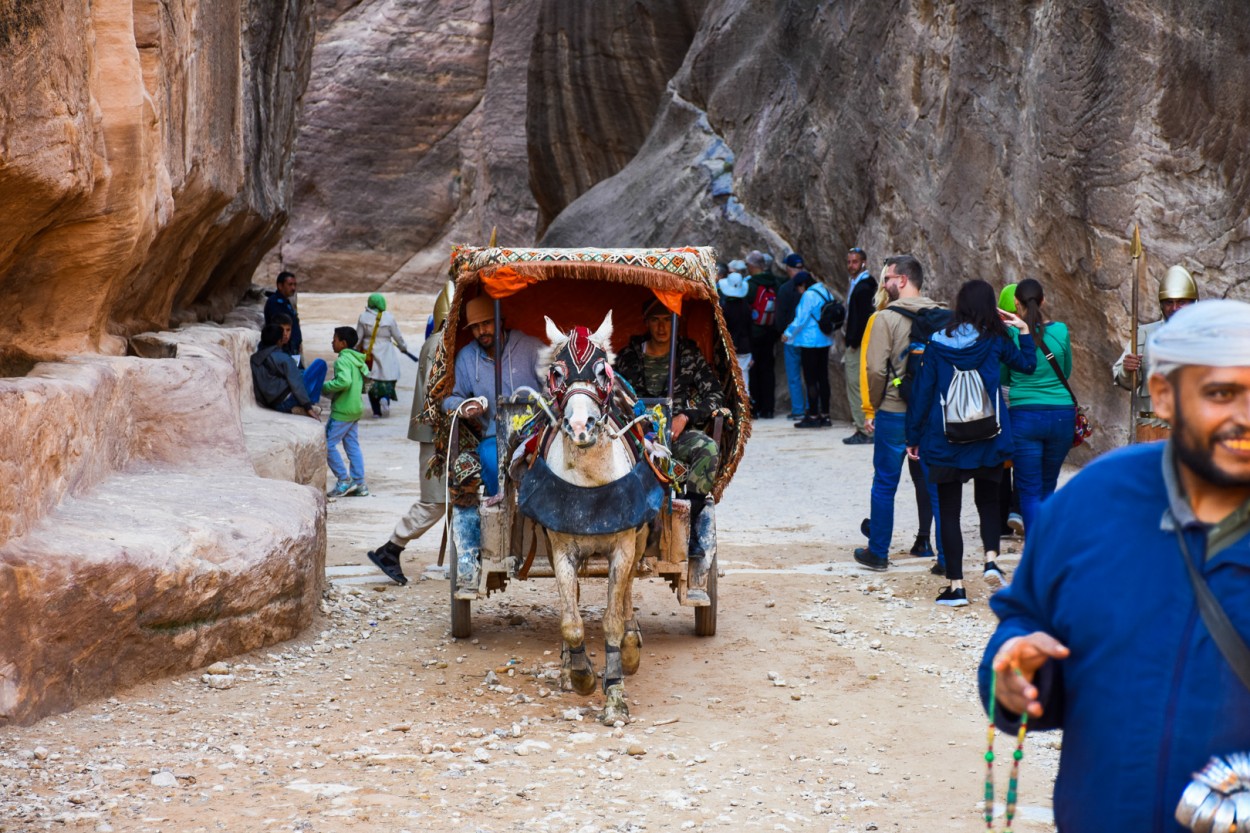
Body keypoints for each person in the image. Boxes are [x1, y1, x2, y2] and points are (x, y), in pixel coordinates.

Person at [980, 299, 1250, 832]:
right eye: (1221, 393)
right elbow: (1026, 618)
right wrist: (1012, 674)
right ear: (1165, 394)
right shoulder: (1094, 502)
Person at [905, 279, 1036, 606]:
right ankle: (991, 560)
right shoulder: (996, 340)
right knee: (988, 502)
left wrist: (913, 437)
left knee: (949, 512)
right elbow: (1027, 366)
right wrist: (1023, 330)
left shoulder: (936, 343)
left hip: (946, 440)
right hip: (988, 438)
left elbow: (922, 394)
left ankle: (957, 586)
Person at [615, 297, 724, 603]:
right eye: (656, 320)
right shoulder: (628, 357)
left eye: (668, 320)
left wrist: (686, 414)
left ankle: (690, 524)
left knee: (706, 448)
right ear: (646, 323)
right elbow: (610, 394)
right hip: (633, 437)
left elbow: (715, 395)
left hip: (673, 437)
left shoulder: (687, 353)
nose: (662, 327)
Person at [855, 254, 948, 572]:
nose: (884, 284)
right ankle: (947, 558)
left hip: (895, 411)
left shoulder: (885, 319)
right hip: (934, 414)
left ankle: (878, 552)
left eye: (888, 278)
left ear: (903, 280)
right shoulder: (942, 315)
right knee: (937, 482)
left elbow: (875, 369)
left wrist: (877, 405)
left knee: (885, 482)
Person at [363, 285, 453, 585]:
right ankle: (391, 548)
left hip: (443, 435)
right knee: (435, 502)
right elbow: (436, 393)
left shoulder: (441, 341)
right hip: (437, 436)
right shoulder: (440, 343)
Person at [442, 294, 545, 500]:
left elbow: (554, 386)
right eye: (475, 327)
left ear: (500, 320)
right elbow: (449, 399)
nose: (482, 331)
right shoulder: (467, 357)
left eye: (487, 323)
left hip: (536, 431)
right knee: (490, 459)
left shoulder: (532, 348)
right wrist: (464, 405)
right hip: (494, 436)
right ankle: (500, 508)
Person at [1001, 278, 1076, 536]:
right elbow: (1065, 371)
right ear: (1043, 301)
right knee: (1047, 485)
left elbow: (1004, 377)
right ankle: (1046, 546)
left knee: (1029, 489)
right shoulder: (1061, 331)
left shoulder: (1010, 334)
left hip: (1024, 416)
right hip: (1061, 416)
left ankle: (1035, 551)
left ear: (1016, 304)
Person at [1113, 264, 1199, 442]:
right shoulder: (1143, 334)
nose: (1174, 308)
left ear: (1193, 302)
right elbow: (1124, 380)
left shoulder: (1209, 336)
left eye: (1181, 302)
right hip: (1151, 429)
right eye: (1169, 302)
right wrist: (1127, 370)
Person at [781, 271, 833, 428]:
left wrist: (788, 333)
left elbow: (801, 319)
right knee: (823, 378)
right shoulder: (825, 290)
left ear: (802, 285)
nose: (799, 291)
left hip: (810, 342)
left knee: (811, 379)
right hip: (825, 340)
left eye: (798, 288)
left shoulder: (809, 295)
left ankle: (813, 415)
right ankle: (825, 415)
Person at [324, 326, 370, 498]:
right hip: (356, 408)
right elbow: (366, 381)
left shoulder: (342, 360)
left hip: (342, 410)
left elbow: (344, 382)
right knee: (352, 446)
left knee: (327, 445)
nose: (332, 342)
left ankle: (344, 480)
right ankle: (359, 483)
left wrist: (325, 386)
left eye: (334, 339)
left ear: (343, 343)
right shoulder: (358, 360)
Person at [250, 323, 326, 417]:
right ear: (279, 341)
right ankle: (311, 403)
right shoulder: (283, 358)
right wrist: (308, 408)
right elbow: (296, 383)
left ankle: (300, 406)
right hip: (288, 400)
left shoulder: (253, 359)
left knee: (301, 373)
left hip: (274, 404)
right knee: (320, 364)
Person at [842, 247, 877, 445]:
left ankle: (864, 429)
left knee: (856, 385)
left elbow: (862, 318)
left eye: (855, 262)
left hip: (859, 344)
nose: (851, 265)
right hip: (861, 341)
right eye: (849, 262)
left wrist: (854, 341)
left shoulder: (864, 287)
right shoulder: (860, 284)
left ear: (863, 262)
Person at [355, 292, 410, 418]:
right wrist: (403, 348)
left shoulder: (363, 317)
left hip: (369, 354)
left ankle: (376, 412)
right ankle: (385, 398)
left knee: (371, 381)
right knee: (388, 379)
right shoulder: (389, 318)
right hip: (387, 352)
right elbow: (398, 337)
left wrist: (353, 351)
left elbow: (358, 338)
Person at [744, 250, 781, 418]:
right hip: (770, 332)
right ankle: (769, 408)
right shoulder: (774, 282)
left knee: (753, 370)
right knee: (768, 370)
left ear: (752, 266)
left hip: (754, 332)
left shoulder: (751, 285)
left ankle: (755, 406)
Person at [776, 253, 809, 420]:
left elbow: (781, 315)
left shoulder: (785, 288)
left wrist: (781, 331)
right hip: (809, 338)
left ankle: (798, 410)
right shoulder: (810, 286)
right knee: (810, 375)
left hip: (790, 337)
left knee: (794, 376)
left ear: (788, 269)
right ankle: (812, 408)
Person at [263, 271, 303, 364]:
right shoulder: (275, 303)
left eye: (294, 284)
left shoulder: (285, 301)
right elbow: (279, 327)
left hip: (291, 348)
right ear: (280, 286)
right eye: (290, 284)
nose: (293, 288)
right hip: (284, 349)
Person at [718, 270, 753, 377]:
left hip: (730, 346)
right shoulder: (746, 307)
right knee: (744, 379)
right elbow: (749, 329)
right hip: (745, 348)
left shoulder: (725, 308)